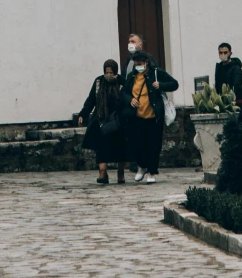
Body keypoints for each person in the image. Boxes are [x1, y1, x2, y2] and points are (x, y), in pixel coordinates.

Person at [119, 33, 178, 184]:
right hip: (137, 116)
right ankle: (141, 167)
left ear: (146, 62)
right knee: (137, 144)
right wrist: (130, 99)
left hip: (153, 116)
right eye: (136, 63)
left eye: (140, 63)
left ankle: (152, 172)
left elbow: (174, 84)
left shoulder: (156, 73)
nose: (138, 65)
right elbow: (123, 93)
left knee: (153, 145)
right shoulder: (132, 77)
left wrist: (161, 86)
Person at [75, 57, 126, 186]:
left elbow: (127, 98)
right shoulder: (99, 81)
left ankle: (121, 173)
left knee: (120, 147)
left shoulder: (121, 82)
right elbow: (91, 99)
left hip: (117, 120)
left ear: (115, 72)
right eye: (106, 72)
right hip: (101, 118)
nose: (108, 75)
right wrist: (83, 113)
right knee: (101, 146)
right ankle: (102, 172)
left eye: (111, 72)